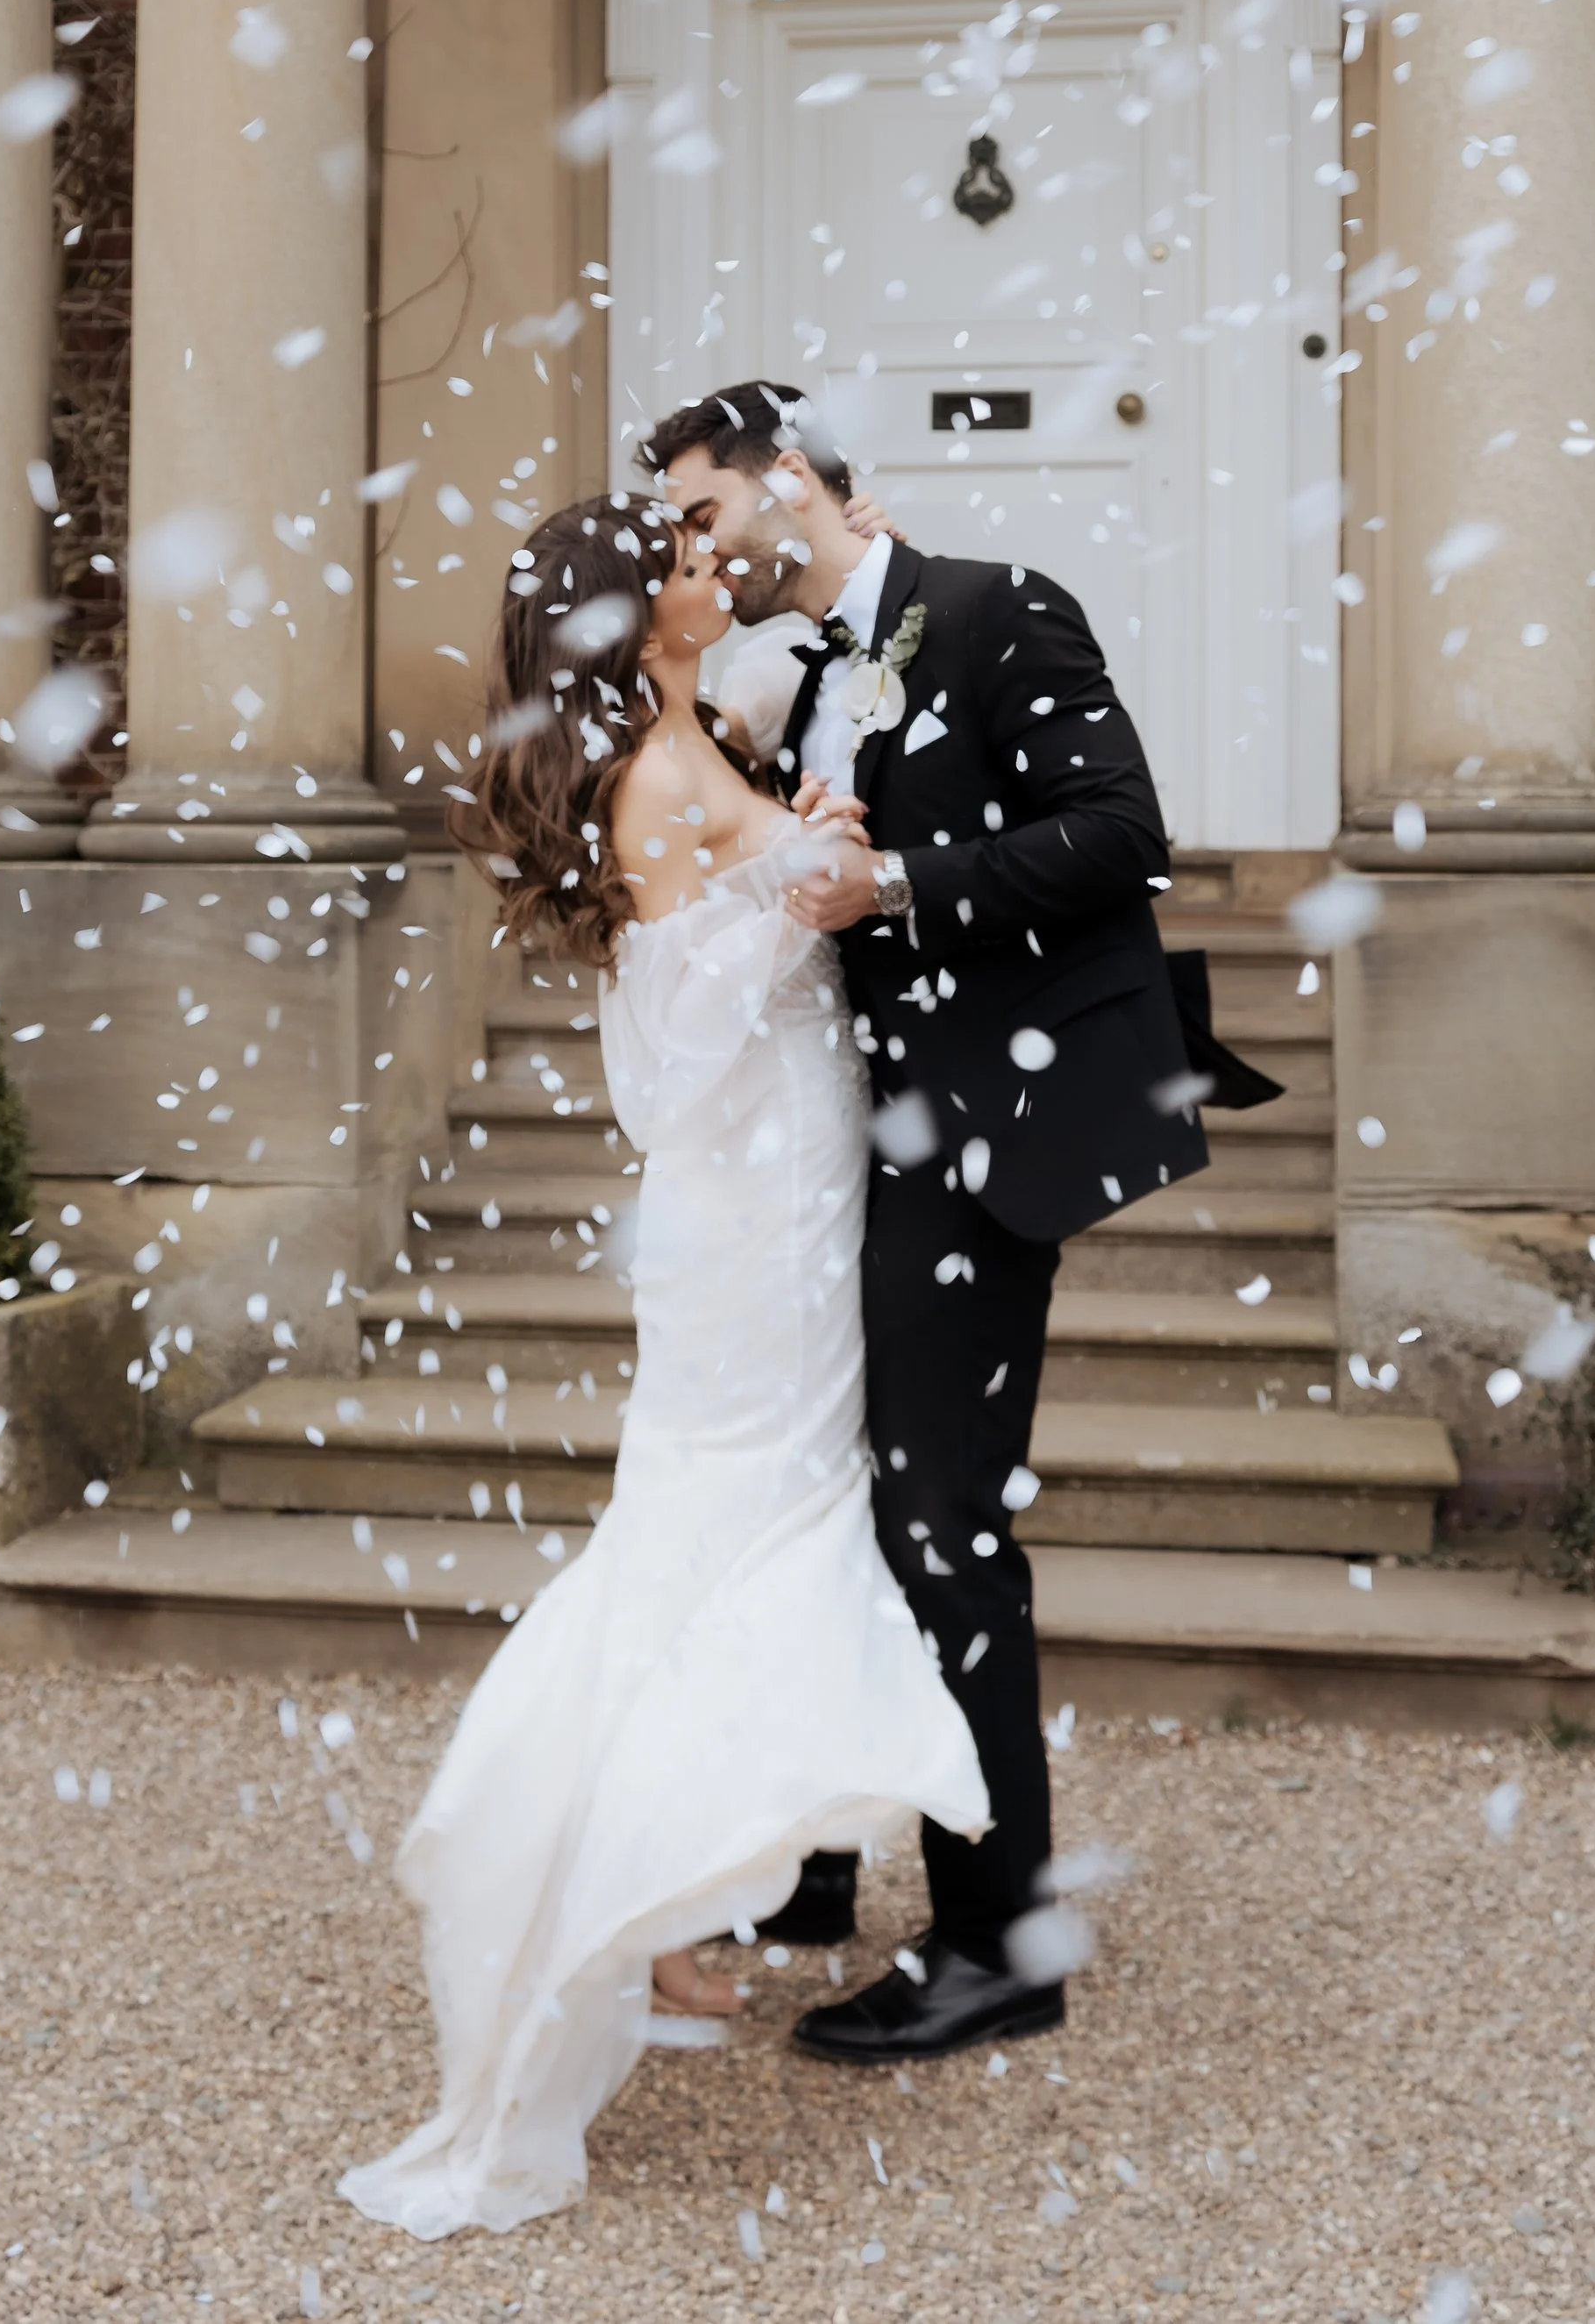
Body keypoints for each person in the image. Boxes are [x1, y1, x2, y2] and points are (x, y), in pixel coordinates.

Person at [337, 488, 988, 2242]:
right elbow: (671, 1042)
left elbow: (744, 876)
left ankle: (674, 1931)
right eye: (690, 567)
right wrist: (809, 885)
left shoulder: (691, 733)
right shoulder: (653, 771)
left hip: (789, 1167)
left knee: (726, 1520)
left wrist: (808, 824)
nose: (718, 578)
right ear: (635, 614)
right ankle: (627, 1888)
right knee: (737, 1516)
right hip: (754, 1190)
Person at [639, 379, 1209, 2068]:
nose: (694, 544)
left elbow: (1120, 835)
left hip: (984, 1133)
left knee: (945, 1526)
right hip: (850, 1145)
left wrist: (899, 886)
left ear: (794, 482)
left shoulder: (996, 608)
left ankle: (999, 1942)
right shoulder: (785, 678)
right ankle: (818, 1865)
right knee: (835, 1499)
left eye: (703, 511)